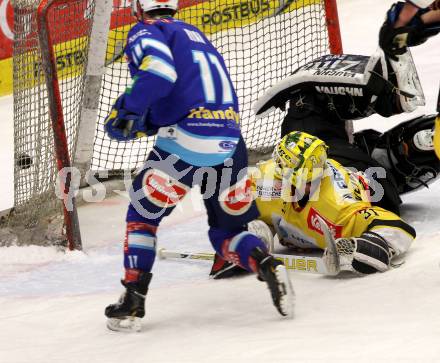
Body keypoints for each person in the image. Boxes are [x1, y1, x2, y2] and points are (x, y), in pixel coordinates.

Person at [103, 0, 294, 332]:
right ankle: (265, 262)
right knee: (228, 233)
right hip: (231, 143)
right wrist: (146, 120)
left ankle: (133, 299)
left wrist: (127, 109)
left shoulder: (146, 30)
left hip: (186, 143)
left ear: (138, 7)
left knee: (142, 217)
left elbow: (160, 74)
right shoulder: (196, 34)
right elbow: (189, 92)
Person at [248, 131, 416, 275]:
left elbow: (398, 227)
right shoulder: (265, 180)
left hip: (379, 187)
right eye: (307, 178)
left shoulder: (337, 205)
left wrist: (363, 247)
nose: (314, 179)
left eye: (317, 173)